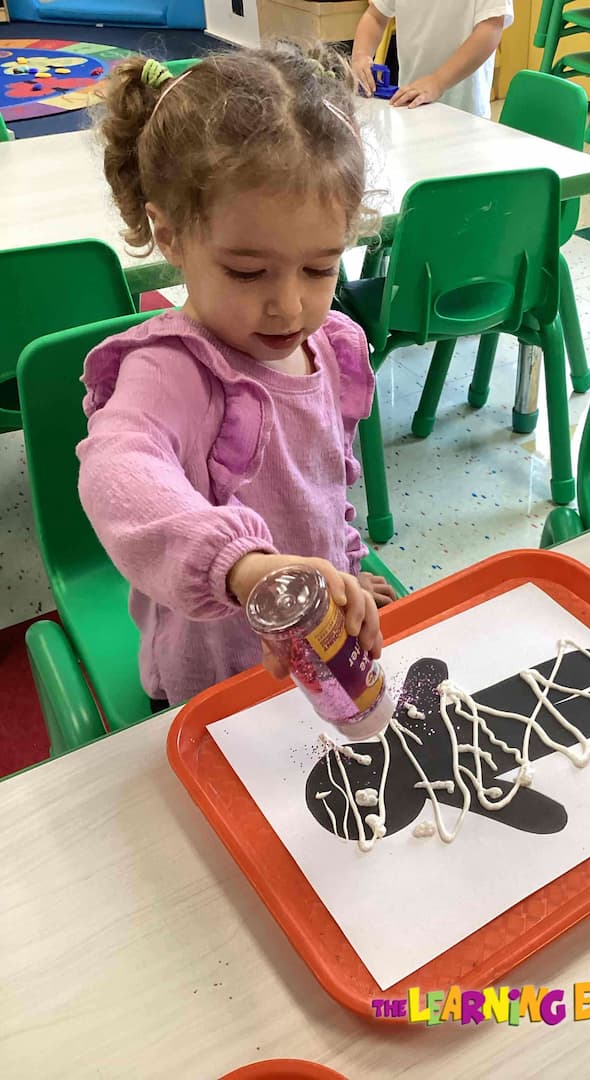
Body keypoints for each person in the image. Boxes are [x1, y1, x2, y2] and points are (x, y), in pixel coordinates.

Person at [78, 44, 396, 710]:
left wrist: (346, 568)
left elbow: (321, 491)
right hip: (217, 678)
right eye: (248, 272)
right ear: (170, 236)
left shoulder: (327, 345)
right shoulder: (171, 371)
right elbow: (117, 472)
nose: (290, 307)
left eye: (320, 268)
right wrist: (244, 568)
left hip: (316, 649)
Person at [351, 0, 513, 118]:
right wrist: (361, 55)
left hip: (465, 111)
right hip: (410, 104)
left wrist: (438, 82)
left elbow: (491, 29)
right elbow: (375, 16)